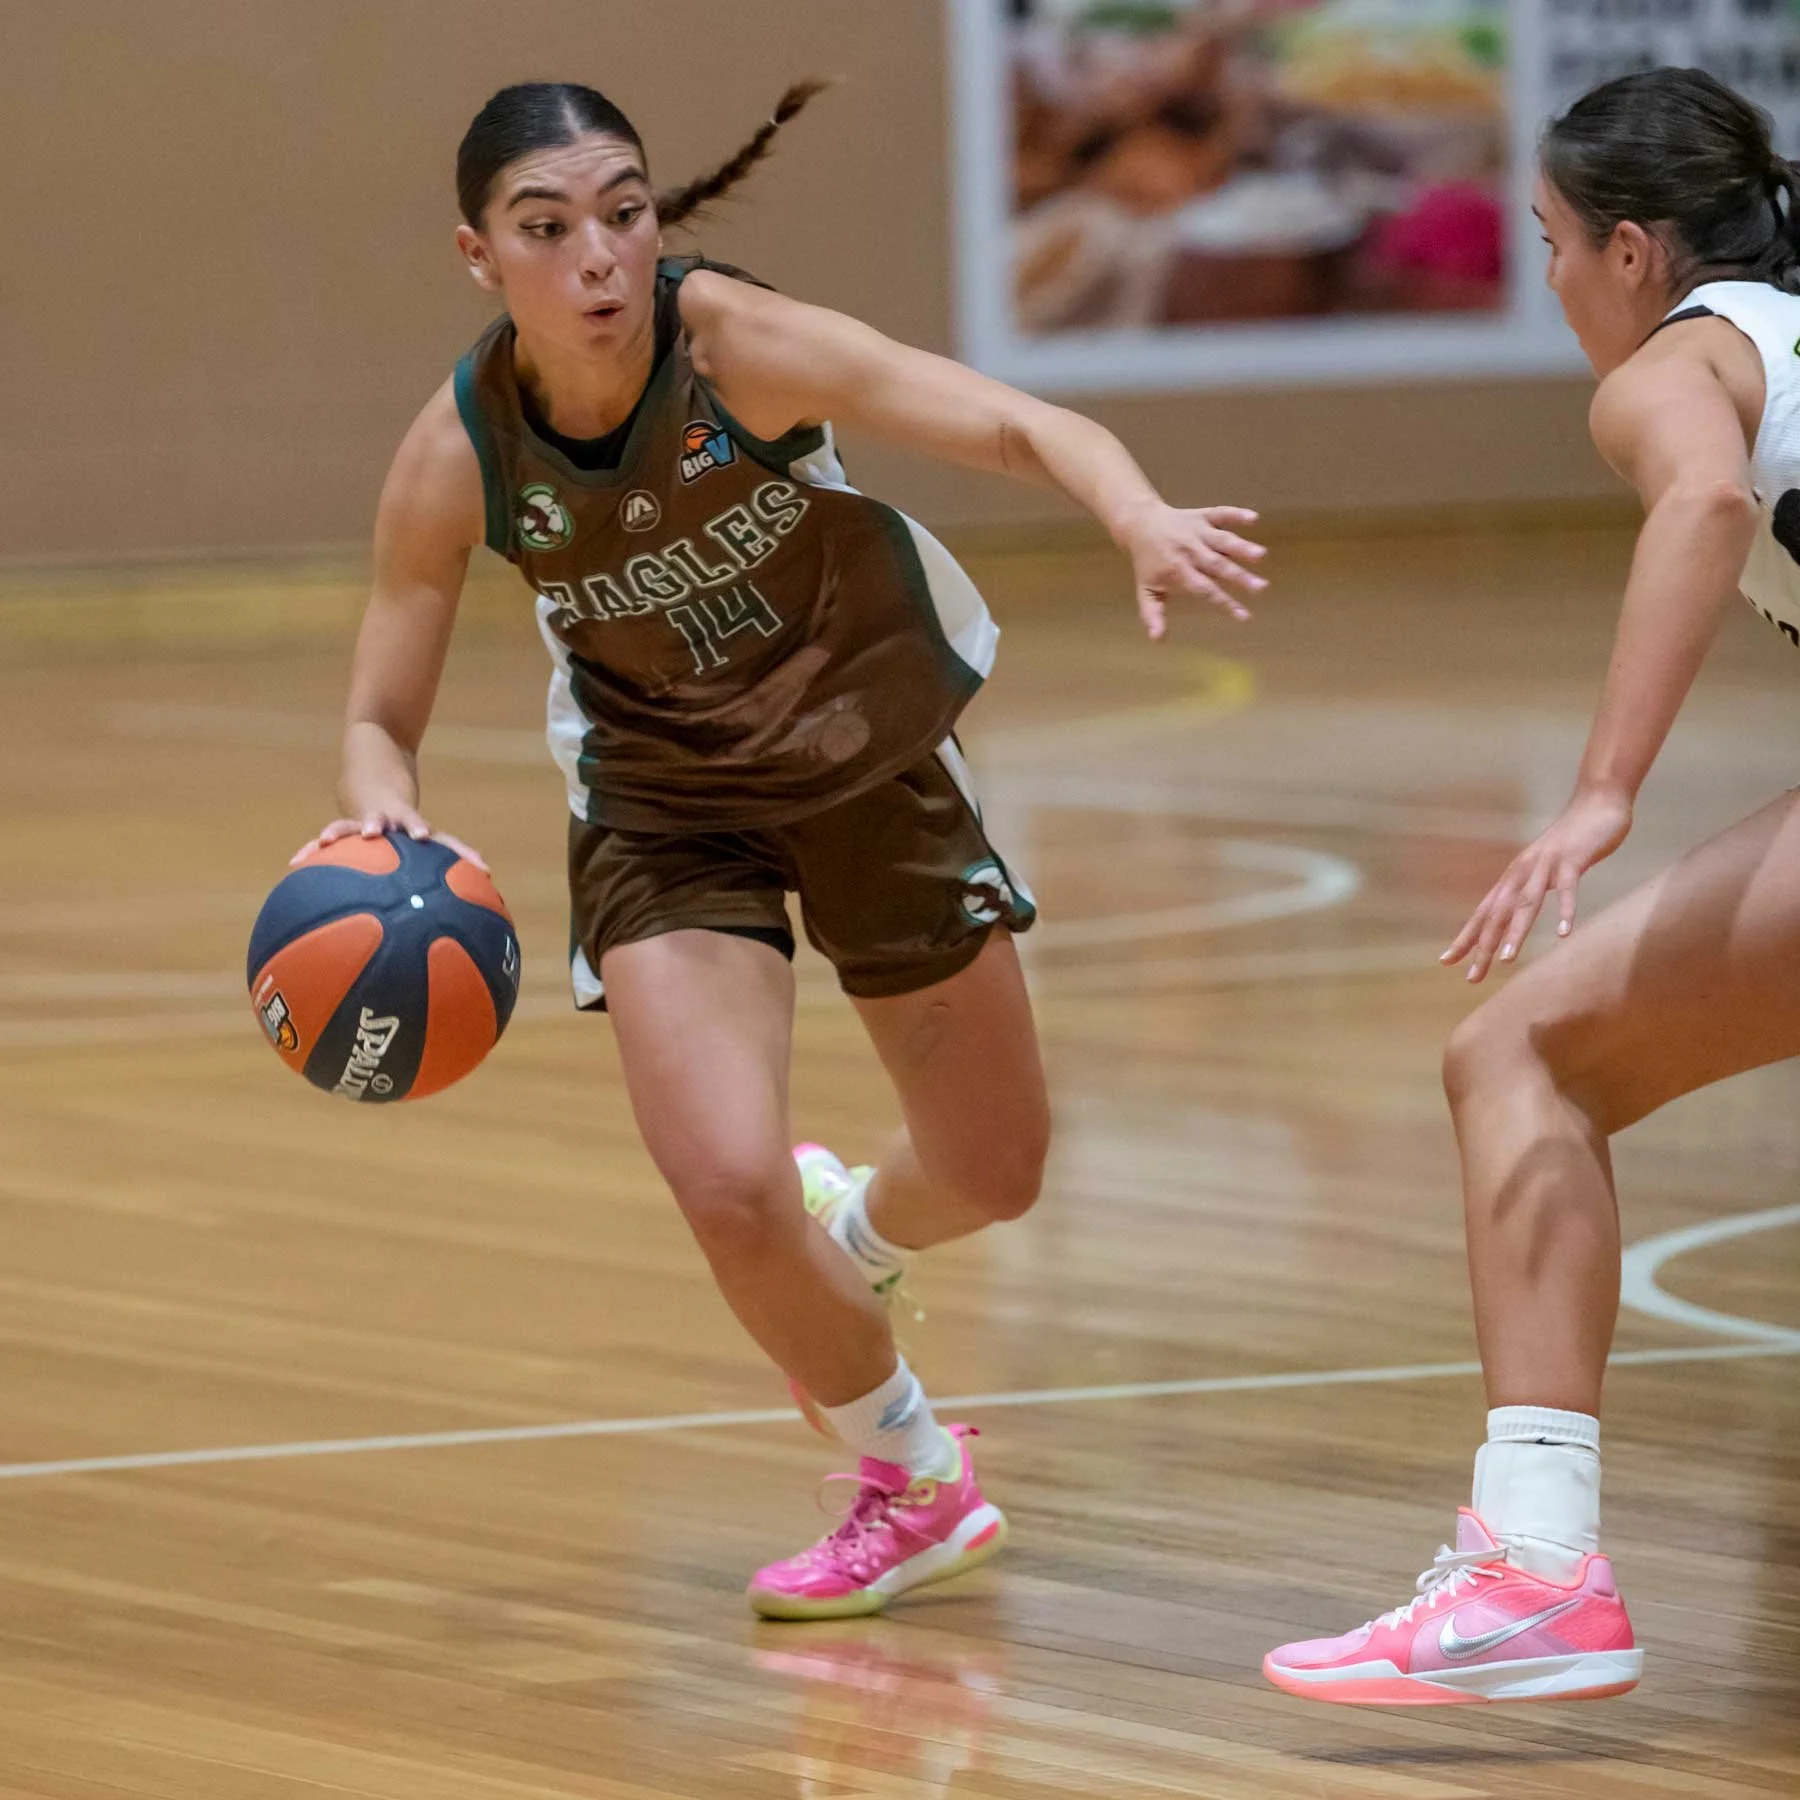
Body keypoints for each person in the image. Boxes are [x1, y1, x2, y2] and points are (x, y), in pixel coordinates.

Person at [295, 78, 1267, 1620]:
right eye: (546, 228)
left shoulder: (733, 346)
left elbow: (1012, 418)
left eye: (624, 212)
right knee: (728, 1185)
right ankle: (915, 1479)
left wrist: (1135, 509)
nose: (598, 257)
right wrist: (379, 806)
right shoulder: (460, 450)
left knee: (995, 1172)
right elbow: (378, 713)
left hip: (867, 756)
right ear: (479, 255)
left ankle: (856, 1234)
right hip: (662, 805)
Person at [1266, 66, 1800, 1706]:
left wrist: (1602, 792)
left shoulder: (1674, 367)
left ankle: (1538, 1571)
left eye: (1554, 242)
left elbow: (1705, 498)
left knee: (1521, 1057)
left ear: (1632, 251)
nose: (1553, 277)